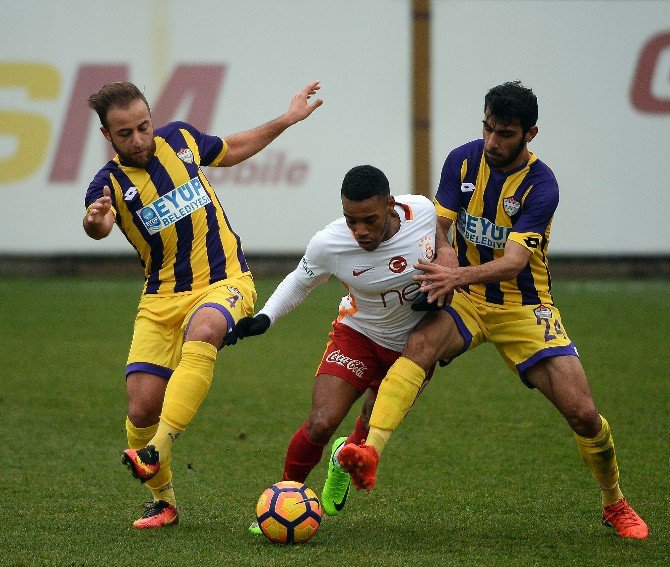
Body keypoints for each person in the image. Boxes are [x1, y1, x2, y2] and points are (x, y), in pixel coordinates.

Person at [338, 81, 649, 539]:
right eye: (487, 128)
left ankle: (613, 501)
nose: (491, 142)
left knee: (582, 413)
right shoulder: (461, 160)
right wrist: (446, 258)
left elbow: (515, 261)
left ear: (530, 134)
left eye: (504, 133)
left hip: (525, 306)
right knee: (419, 345)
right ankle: (370, 451)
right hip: (465, 298)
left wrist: (454, 275)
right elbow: (439, 227)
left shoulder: (542, 185)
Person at [83, 80, 323, 528]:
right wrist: (95, 222)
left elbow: (231, 148)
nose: (138, 139)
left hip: (225, 280)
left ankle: (159, 449)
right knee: (140, 410)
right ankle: (164, 503)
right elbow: (98, 225)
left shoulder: (181, 138)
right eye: (125, 134)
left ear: (153, 119)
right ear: (106, 136)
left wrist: (286, 120)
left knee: (207, 329)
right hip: (160, 299)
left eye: (143, 126)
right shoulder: (108, 185)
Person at [224, 165, 438, 528]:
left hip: (414, 347)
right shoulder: (330, 243)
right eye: (351, 221)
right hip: (358, 336)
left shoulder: (424, 214)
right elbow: (299, 281)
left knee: (370, 428)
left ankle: (342, 459)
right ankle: (284, 501)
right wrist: (265, 318)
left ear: (390, 205)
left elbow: (453, 251)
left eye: (369, 220)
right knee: (321, 423)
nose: (360, 231)